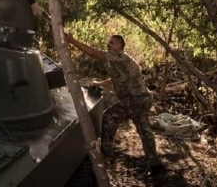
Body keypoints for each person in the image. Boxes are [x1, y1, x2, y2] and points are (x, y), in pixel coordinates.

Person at [64, 32, 166, 177]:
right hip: (142, 99)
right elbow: (115, 79)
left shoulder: (119, 55)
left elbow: (96, 54)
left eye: (112, 42)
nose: (109, 44)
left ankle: (105, 156)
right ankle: (155, 165)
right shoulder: (119, 60)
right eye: (109, 41)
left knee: (110, 116)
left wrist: (72, 41)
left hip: (135, 99)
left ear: (120, 46)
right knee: (144, 130)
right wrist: (100, 83)